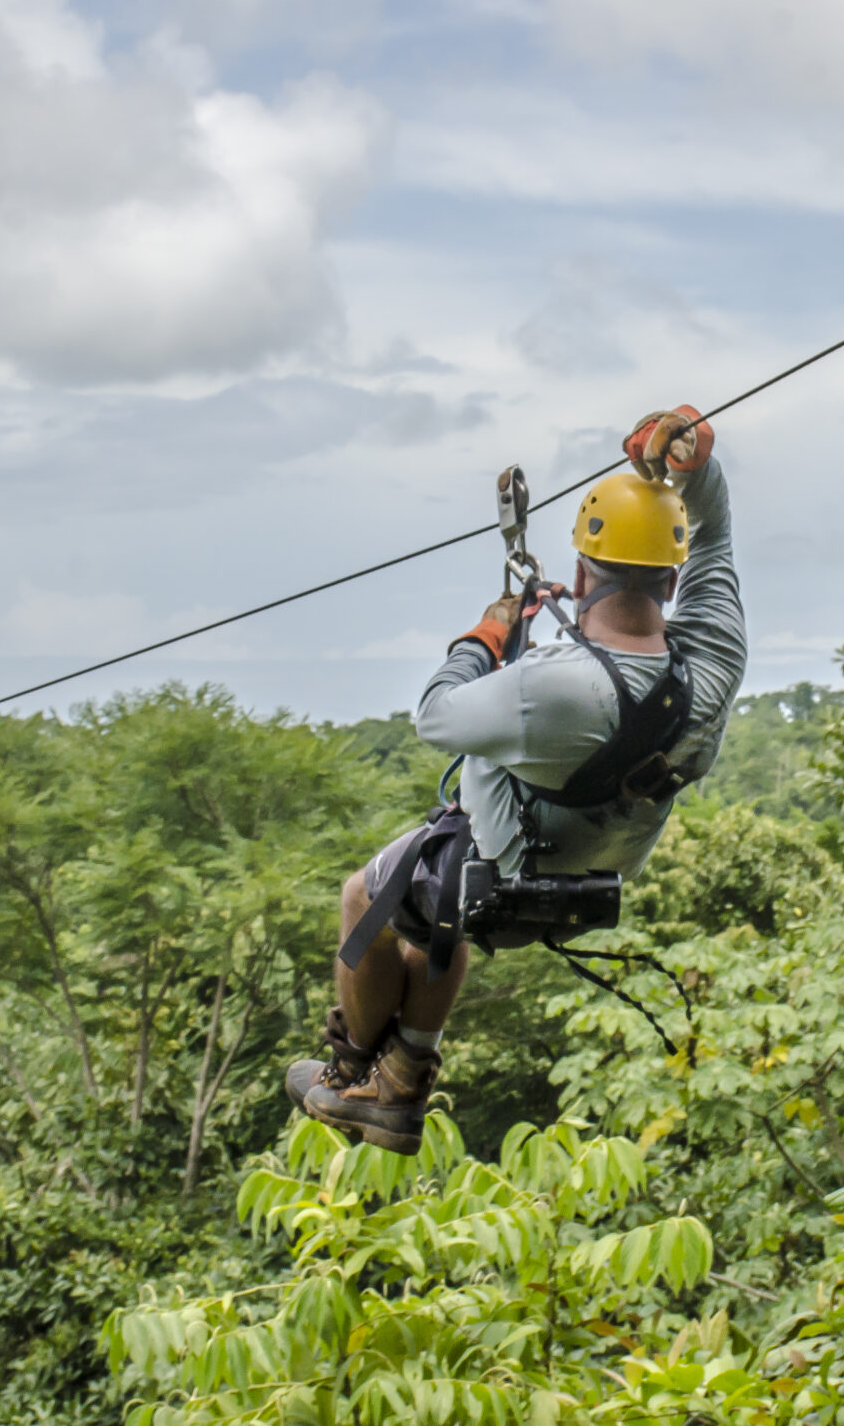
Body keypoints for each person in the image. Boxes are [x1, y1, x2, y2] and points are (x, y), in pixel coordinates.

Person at [285, 405, 747, 1151]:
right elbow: (716, 537)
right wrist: (694, 466)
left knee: (365, 895)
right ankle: (403, 1075)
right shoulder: (713, 661)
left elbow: (436, 715)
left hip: (510, 863)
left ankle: (352, 1080)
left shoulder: (547, 690)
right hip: (602, 867)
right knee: (434, 923)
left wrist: (488, 636)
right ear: (672, 575)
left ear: (579, 571)